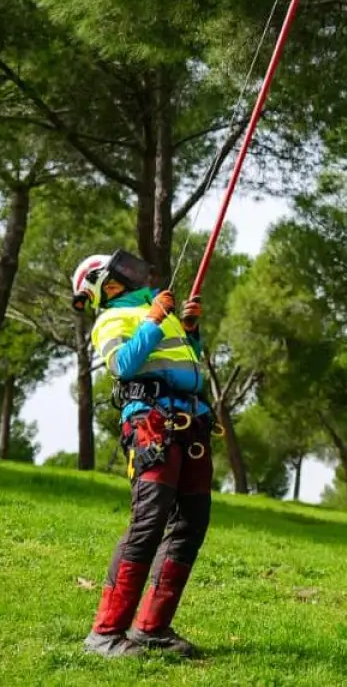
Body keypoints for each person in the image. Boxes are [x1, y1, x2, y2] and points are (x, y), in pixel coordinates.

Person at [74, 250, 214, 659]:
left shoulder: (160, 313)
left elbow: (187, 366)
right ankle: (105, 634)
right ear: (105, 284)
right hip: (152, 424)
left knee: (192, 522)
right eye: (122, 271)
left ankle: (152, 629)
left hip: (193, 422)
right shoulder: (110, 320)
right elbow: (125, 365)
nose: (134, 272)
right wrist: (153, 320)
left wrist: (190, 331)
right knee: (149, 521)